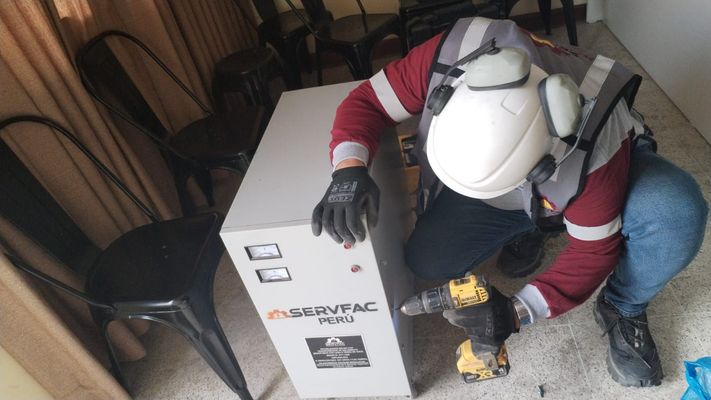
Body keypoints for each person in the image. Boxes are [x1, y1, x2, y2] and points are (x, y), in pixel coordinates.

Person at [311, 17, 708, 387]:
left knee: (674, 211)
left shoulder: (597, 148)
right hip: (527, 189)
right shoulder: (452, 55)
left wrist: (516, 311)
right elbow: (367, 101)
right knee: (429, 260)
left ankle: (622, 304)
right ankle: (536, 223)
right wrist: (348, 169)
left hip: (589, 169)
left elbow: (594, 251)